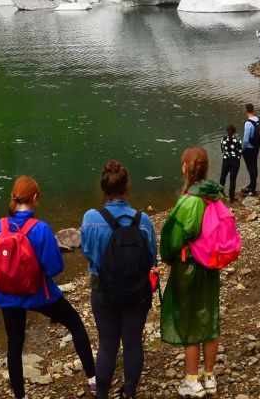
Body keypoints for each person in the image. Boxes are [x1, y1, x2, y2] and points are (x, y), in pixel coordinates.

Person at [0, 176, 97, 399]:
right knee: (75, 323)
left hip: (8, 296)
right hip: (39, 294)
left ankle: (20, 396)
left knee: (15, 345)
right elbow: (55, 267)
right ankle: (94, 380)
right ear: (35, 198)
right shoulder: (40, 228)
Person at [81, 161, 157, 399]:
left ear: (103, 187)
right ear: (127, 186)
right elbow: (152, 256)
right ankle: (129, 393)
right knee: (133, 342)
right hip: (137, 291)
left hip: (103, 291)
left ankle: (102, 394)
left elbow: (87, 253)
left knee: (107, 343)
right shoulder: (142, 220)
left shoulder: (90, 218)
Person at [160, 147, 225, 398]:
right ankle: (210, 377)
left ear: (186, 167)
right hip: (211, 266)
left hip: (189, 268)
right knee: (209, 316)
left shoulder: (187, 202)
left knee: (189, 321)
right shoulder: (215, 196)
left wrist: (166, 257)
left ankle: (191, 380)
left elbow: (172, 243)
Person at [240, 104, 260, 197]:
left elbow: (245, 139)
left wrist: (242, 149)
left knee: (250, 168)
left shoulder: (248, 123)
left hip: (249, 149)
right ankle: (252, 185)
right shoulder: (258, 120)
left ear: (246, 110)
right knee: (254, 166)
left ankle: (252, 190)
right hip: (256, 147)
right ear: (253, 110)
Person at [219, 124, 242, 202]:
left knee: (223, 177)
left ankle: (221, 193)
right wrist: (237, 157)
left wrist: (226, 155)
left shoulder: (223, 139)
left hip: (226, 160)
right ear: (235, 131)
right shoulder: (238, 140)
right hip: (235, 161)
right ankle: (231, 197)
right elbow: (240, 151)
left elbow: (222, 150)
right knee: (232, 179)